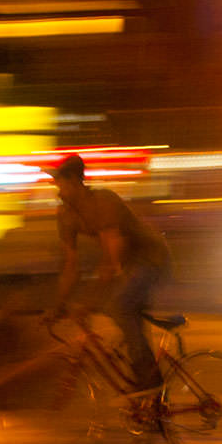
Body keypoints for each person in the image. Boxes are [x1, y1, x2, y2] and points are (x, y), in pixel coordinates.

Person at [42, 154, 172, 394]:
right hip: (130, 264)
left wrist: (86, 301)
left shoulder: (103, 201)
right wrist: (58, 305)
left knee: (119, 306)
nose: (57, 190)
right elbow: (71, 265)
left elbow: (111, 261)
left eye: (60, 183)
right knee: (121, 313)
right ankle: (149, 406)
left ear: (74, 182)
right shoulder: (66, 216)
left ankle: (150, 382)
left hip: (151, 258)